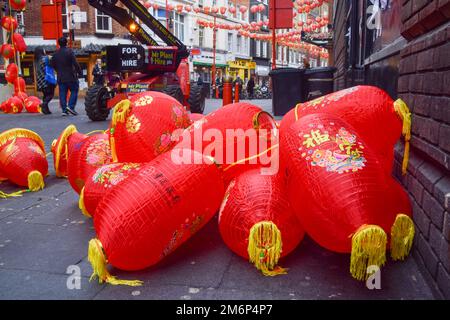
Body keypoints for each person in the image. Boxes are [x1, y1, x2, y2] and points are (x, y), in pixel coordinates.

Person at [50, 37, 81, 116]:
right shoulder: (69, 52)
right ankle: (71, 106)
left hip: (61, 77)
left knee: (62, 93)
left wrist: (58, 70)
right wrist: (79, 72)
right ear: (66, 43)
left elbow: (52, 65)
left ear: (58, 44)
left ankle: (64, 110)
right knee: (74, 90)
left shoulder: (55, 54)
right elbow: (75, 63)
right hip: (71, 76)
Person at [34, 47, 56, 115]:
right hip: (47, 79)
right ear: (42, 51)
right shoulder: (45, 58)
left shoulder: (36, 60)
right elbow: (53, 62)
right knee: (50, 94)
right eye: (44, 50)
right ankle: (44, 104)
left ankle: (46, 110)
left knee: (45, 95)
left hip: (40, 81)